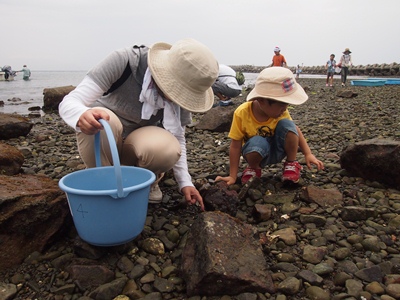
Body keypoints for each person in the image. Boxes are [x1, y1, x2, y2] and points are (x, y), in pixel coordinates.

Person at [58, 38, 219, 211]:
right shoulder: (125, 61)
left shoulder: (183, 90)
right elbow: (71, 101)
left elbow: (178, 137)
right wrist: (81, 115)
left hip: (136, 147)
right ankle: (104, 182)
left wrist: (185, 182)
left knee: (166, 148)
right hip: (104, 138)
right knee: (102, 120)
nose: (178, 97)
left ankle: (145, 181)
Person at [215, 67, 324, 186]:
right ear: (262, 101)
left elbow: (294, 130)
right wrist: (232, 176)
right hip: (255, 152)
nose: (284, 110)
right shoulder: (242, 113)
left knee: (288, 124)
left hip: (279, 149)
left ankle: (291, 164)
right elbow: (235, 147)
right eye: (282, 106)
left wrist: (308, 153)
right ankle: (254, 168)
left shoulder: (281, 113)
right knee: (257, 141)